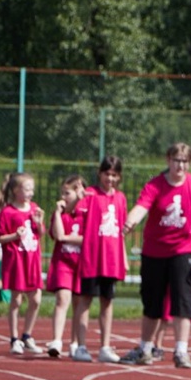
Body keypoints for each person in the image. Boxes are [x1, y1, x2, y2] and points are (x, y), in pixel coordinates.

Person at [120, 142, 191, 369]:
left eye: (184, 161)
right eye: (176, 160)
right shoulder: (156, 185)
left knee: (183, 302)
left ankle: (181, 351)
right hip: (154, 251)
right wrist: (130, 221)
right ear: (168, 161)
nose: (180, 165)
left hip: (184, 249)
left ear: (189, 163)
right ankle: (146, 348)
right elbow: (142, 206)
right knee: (152, 303)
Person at [71, 156, 129, 363]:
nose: (110, 179)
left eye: (114, 175)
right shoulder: (90, 195)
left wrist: (123, 257)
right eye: (107, 174)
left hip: (111, 259)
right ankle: (81, 346)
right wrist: (77, 197)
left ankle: (105, 346)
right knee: (85, 300)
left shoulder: (121, 198)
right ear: (100, 173)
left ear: (119, 177)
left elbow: (121, 231)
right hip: (92, 257)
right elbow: (73, 211)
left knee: (107, 302)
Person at [0, 172, 45, 354]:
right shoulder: (7, 212)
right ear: (15, 190)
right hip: (17, 261)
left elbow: (41, 233)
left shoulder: (34, 208)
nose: (31, 192)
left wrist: (39, 223)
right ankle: (14, 338)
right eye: (27, 188)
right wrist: (15, 235)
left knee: (36, 299)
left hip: (32, 260)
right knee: (16, 299)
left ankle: (27, 335)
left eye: (32, 189)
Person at [44, 174, 87, 358]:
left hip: (81, 263)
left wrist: (72, 239)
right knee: (62, 299)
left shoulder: (86, 214)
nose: (64, 197)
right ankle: (56, 340)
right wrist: (58, 213)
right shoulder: (59, 215)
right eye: (62, 193)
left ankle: (75, 342)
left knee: (79, 303)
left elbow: (87, 239)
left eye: (67, 193)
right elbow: (58, 235)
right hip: (63, 262)